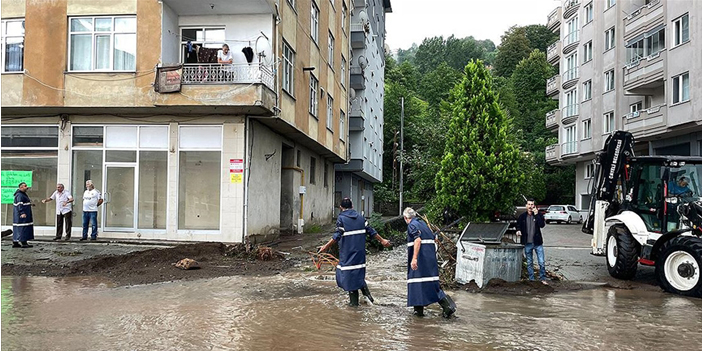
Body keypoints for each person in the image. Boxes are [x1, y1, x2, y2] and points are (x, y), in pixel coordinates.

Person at [319, 198, 391, 306]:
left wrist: (325, 246)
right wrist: (382, 241)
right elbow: (371, 231)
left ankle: (354, 305)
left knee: (348, 276)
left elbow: (337, 235)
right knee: (357, 274)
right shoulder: (361, 218)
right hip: (360, 253)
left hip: (347, 253)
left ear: (341, 208)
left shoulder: (341, 219)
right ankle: (369, 298)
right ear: (352, 206)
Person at [403, 207, 456, 318]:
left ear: (405, 218)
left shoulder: (412, 225)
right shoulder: (423, 225)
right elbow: (435, 238)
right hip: (430, 260)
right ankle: (447, 306)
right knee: (431, 284)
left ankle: (419, 313)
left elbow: (418, 240)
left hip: (421, 261)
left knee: (416, 284)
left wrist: (414, 258)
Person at [516, 198, 548, 284]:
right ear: (526, 206)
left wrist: (537, 215)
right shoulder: (522, 216)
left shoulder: (539, 215)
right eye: (529, 204)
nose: (530, 206)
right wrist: (518, 230)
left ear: (534, 206)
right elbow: (518, 225)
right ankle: (531, 279)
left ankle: (543, 279)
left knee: (541, 262)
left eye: (532, 204)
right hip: (527, 243)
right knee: (529, 262)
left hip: (537, 243)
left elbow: (542, 225)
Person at [12, 182, 35, 248]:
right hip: (22, 216)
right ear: (21, 187)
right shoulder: (20, 195)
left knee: (19, 228)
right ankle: (23, 242)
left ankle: (16, 242)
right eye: (25, 186)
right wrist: (22, 213)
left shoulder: (22, 194)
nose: (27, 187)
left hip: (21, 214)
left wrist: (30, 204)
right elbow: (19, 204)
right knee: (22, 228)